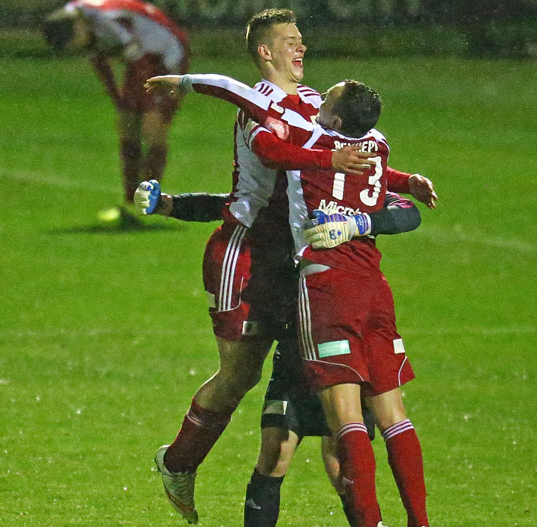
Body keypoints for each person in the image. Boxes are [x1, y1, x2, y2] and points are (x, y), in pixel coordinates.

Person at [142, 9, 435, 525]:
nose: (302, 48)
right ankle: (179, 462)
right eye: (290, 40)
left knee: (338, 412)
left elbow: (352, 156)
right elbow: (278, 153)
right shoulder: (259, 108)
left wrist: (402, 180)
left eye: (302, 40)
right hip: (249, 254)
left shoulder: (318, 104)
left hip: (306, 263)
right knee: (241, 374)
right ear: (265, 51)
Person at [135, 184, 424, 527]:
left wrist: (365, 219)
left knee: (339, 455)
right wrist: (173, 205)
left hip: (344, 320)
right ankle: (180, 462)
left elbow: (406, 211)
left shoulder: (359, 178)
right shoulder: (303, 174)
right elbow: (243, 203)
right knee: (276, 451)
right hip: (298, 326)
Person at [42, 0, 189, 222]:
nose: (74, 47)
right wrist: (118, 99)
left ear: (78, 27)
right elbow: (100, 61)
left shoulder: (106, 22)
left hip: (168, 55)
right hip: (140, 58)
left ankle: (148, 205)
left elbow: (137, 59)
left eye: (72, 41)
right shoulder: (80, 17)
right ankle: (130, 202)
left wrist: (157, 102)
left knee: (153, 126)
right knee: (128, 124)